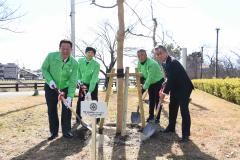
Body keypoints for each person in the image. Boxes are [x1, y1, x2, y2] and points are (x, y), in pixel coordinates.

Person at [154, 45, 194, 143]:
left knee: (184, 110)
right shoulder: (165, 63)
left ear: (165, 53)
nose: (158, 56)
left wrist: (164, 93)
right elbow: (169, 78)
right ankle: (171, 127)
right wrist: (165, 82)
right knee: (172, 107)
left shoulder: (172, 62)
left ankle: (185, 135)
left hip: (184, 87)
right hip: (176, 87)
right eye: (156, 54)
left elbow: (171, 79)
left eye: (160, 53)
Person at [41, 39, 78, 140]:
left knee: (67, 109)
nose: (65, 51)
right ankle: (53, 132)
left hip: (65, 88)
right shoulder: (51, 56)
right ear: (59, 48)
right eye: (63, 48)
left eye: (68, 49)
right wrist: (50, 80)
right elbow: (44, 69)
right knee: (52, 109)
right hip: (51, 86)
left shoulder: (74, 63)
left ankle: (66, 131)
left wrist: (70, 96)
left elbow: (73, 81)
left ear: (71, 49)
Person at [137, 49, 165, 123]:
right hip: (150, 82)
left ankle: (157, 118)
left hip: (158, 81)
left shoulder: (152, 64)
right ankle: (151, 116)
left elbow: (150, 78)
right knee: (151, 99)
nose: (140, 57)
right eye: (139, 56)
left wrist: (143, 88)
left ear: (146, 55)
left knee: (157, 100)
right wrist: (140, 82)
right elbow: (140, 73)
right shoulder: (139, 63)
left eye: (142, 55)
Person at [76, 47, 100, 123]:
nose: (90, 54)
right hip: (83, 84)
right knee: (80, 100)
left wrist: (90, 91)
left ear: (94, 55)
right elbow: (78, 72)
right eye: (88, 52)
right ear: (85, 53)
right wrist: (79, 79)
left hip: (93, 84)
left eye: (92, 53)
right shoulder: (80, 61)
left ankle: (96, 119)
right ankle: (78, 118)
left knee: (94, 100)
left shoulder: (96, 64)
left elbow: (94, 78)